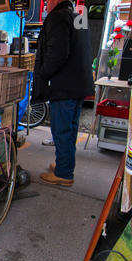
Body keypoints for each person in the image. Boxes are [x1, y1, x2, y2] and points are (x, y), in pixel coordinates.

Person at [31, 0, 94, 186]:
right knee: (71, 129)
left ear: (57, 1)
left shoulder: (57, 18)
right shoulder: (78, 16)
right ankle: (63, 165)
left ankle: (64, 173)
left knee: (62, 130)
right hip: (80, 84)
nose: (46, 5)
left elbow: (58, 53)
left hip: (65, 86)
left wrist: (43, 74)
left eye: (48, 1)